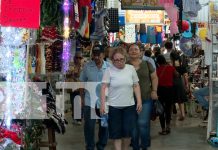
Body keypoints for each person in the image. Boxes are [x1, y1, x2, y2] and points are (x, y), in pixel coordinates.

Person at [100, 46, 142, 150]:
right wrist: (102, 104)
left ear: (125, 58)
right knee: (116, 133)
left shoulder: (130, 69)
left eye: (121, 59)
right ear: (112, 60)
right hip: (114, 107)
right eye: (116, 60)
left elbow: (136, 85)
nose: (119, 62)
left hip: (129, 106)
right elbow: (103, 88)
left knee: (127, 133)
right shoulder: (109, 71)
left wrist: (139, 101)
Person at [127, 43, 158, 150]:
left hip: (145, 98)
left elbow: (154, 78)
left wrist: (154, 90)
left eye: (136, 49)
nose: (134, 51)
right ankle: (135, 146)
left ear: (140, 52)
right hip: (129, 100)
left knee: (142, 123)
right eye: (131, 50)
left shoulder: (147, 64)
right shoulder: (125, 66)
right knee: (133, 126)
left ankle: (144, 146)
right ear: (128, 53)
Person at [80, 45, 109, 150]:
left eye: (99, 55)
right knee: (89, 126)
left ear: (103, 55)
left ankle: (101, 145)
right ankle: (90, 146)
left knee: (104, 126)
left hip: (105, 102)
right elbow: (82, 83)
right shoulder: (87, 66)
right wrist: (82, 98)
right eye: (94, 55)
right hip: (90, 102)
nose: (96, 57)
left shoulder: (109, 67)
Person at [156, 55, 178, 135]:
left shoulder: (157, 70)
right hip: (170, 90)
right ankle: (168, 126)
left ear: (158, 62)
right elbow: (177, 75)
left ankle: (163, 129)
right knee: (168, 109)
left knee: (161, 110)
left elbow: (155, 80)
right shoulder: (171, 67)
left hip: (160, 91)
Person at [170, 51, 189, 121]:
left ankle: (170, 115)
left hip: (171, 83)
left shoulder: (170, 65)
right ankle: (183, 114)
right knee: (180, 100)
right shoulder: (181, 65)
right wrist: (187, 85)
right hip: (179, 83)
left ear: (171, 57)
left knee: (171, 100)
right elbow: (185, 76)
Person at [66, 51, 84, 125]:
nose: (78, 59)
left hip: (80, 88)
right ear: (74, 58)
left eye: (80, 58)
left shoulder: (84, 66)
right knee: (74, 103)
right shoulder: (71, 65)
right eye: (77, 57)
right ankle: (74, 117)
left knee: (79, 103)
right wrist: (72, 74)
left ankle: (79, 118)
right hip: (73, 87)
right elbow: (67, 74)